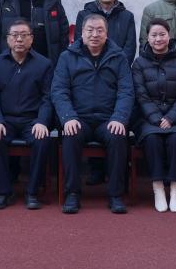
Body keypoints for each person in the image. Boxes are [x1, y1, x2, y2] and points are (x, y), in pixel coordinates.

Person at [51, 14, 134, 214]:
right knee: (71, 135)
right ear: (82, 32)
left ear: (107, 33)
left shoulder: (118, 57)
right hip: (79, 119)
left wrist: (119, 118)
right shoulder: (67, 57)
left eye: (99, 30)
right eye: (90, 30)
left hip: (108, 119)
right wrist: (68, 117)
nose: (94, 34)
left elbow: (126, 91)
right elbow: (59, 91)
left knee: (117, 135)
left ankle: (115, 195)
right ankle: (72, 193)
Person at [0, 18, 54, 210]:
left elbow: (48, 98)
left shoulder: (44, 64)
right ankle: (4, 192)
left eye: (24, 35)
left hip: (32, 121)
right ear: (7, 39)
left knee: (42, 139)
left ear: (32, 38)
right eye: (15, 35)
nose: (19, 39)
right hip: (5, 120)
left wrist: (42, 121)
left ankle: (32, 192)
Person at [132, 19, 176, 213]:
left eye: (162, 34)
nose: (158, 39)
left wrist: (171, 118)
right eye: (154, 35)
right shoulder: (139, 63)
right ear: (147, 38)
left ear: (169, 36)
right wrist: (156, 118)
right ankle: (158, 187)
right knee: (152, 138)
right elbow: (140, 94)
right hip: (149, 118)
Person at [74, 0, 137, 65]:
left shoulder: (127, 16)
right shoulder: (83, 15)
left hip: (119, 69)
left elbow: (130, 48)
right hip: (90, 69)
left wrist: (119, 67)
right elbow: (79, 45)